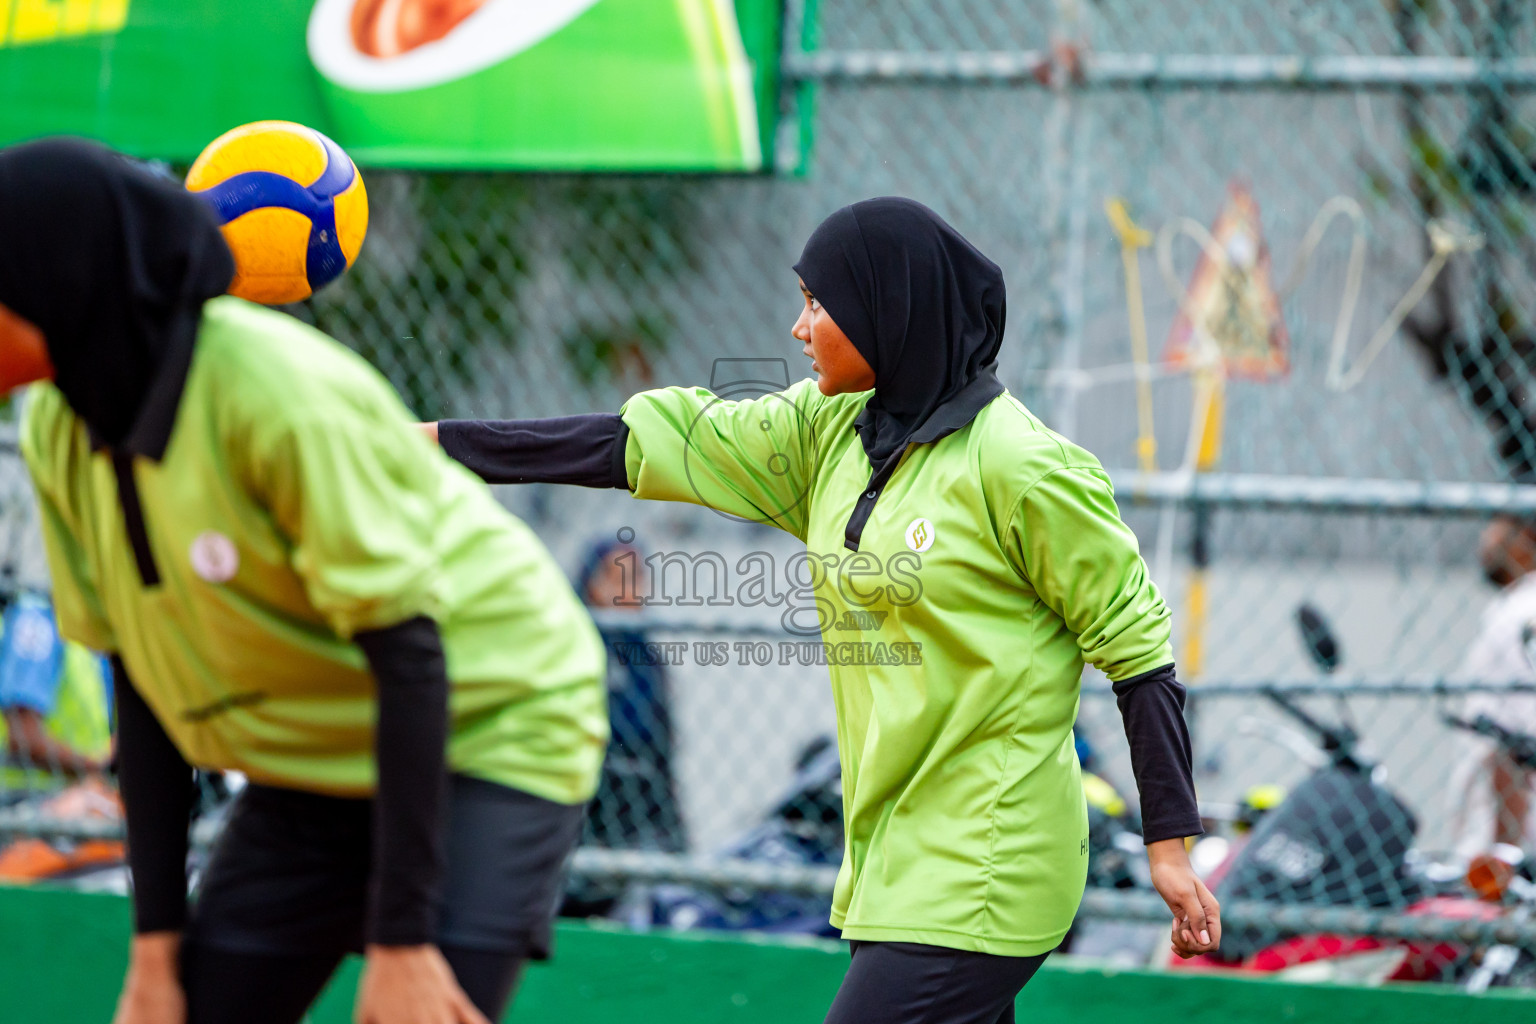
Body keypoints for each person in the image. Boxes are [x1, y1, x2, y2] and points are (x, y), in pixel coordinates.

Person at [425, 197, 1220, 1022]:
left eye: (818, 304)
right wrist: (440, 447)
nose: (800, 329)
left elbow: (1140, 656)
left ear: (889, 312)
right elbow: (640, 443)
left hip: (988, 860)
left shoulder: (1020, 466)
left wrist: (1169, 848)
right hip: (893, 858)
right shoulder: (828, 433)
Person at [0, 138, 609, 1024]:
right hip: (315, 755)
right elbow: (142, 682)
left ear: (60, 283)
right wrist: (155, 953)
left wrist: (402, 946)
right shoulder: (55, 421)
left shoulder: (275, 396)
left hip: (490, 716)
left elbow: (409, 654)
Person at [562, 537, 687, 917]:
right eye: (615, 578)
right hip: (585, 805)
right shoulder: (572, 644)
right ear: (590, 583)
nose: (628, 591)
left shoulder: (644, 656)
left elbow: (663, 747)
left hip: (644, 811)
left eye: (635, 578)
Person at [1450, 515, 1536, 856]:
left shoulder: (1520, 612)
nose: (1487, 538)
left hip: (1515, 859)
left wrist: (1503, 863)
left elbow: (1510, 744)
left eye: (1500, 525)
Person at [0, 590, 113, 784]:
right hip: (30, 799)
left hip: (74, 793)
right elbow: (24, 737)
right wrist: (97, 766)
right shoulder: (37, 619)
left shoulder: (82, 625)